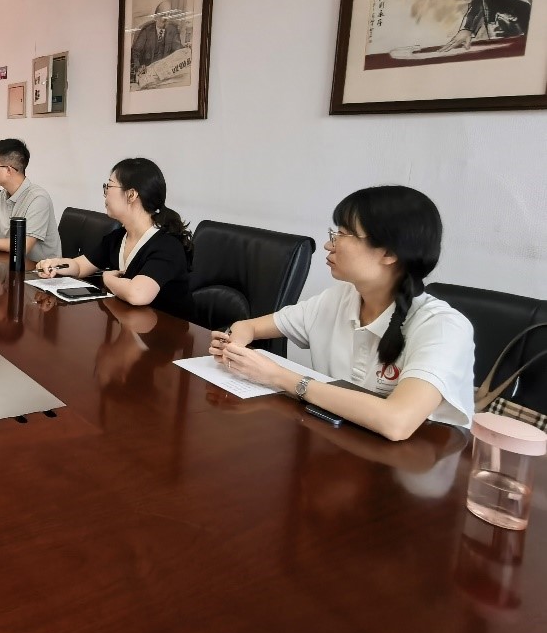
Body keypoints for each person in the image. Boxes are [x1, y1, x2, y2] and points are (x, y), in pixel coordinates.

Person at [209, 185, 474, 442]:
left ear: (389, 253)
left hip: (416, 462)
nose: (328, 245)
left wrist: (277, 376)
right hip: (339, 447)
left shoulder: (443, 327)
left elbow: (397, 422)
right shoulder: (338, 298)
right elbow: (249, 326)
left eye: (342, 235)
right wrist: (235, 342)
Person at [34, 158, 194, 318]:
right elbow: (80, 266)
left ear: (131, 195)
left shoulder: (167, 245)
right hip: (133, 323)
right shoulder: (118, 237)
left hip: (168, 329)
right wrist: (55, 265)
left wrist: (108, 279)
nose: (105, 194)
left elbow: (137, 294)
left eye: (109, 186)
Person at [130, 0, 181, 83]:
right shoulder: (146, 31)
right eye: (163, 15)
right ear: (156, 17)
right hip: (148, 74)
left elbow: (178, 51)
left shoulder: (173, 30)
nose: (166, 18)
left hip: (166, 75)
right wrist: (138, 66)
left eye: (168, 14)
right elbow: (135, 51)